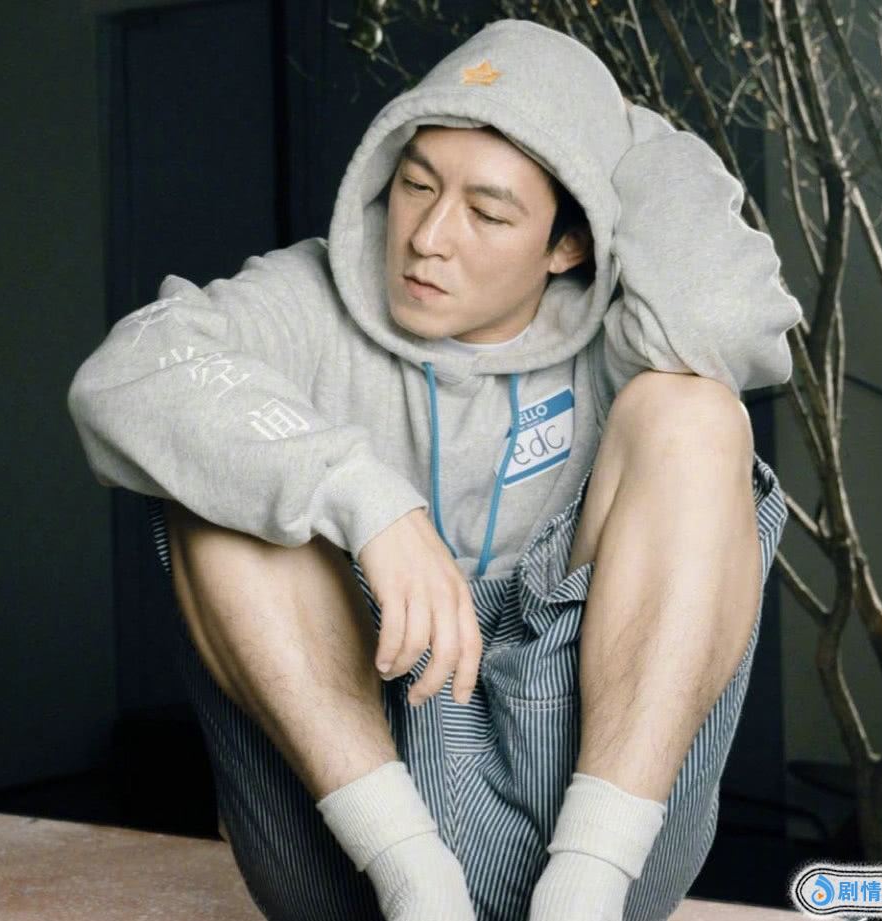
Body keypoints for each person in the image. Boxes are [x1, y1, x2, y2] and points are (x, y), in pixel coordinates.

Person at [68, 18, 800, 921]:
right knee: (218, 479)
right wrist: (364, 497)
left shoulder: (624, 337)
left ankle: (583, 890)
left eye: (487, 213)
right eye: (416, 185)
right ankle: (421, 883)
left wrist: (612, 128)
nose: (427, 237)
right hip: (355, 845)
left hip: (593, 830)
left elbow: (729, 320)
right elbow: (126, 371)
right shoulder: (311, 296)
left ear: (568, 243)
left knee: (695, 413)